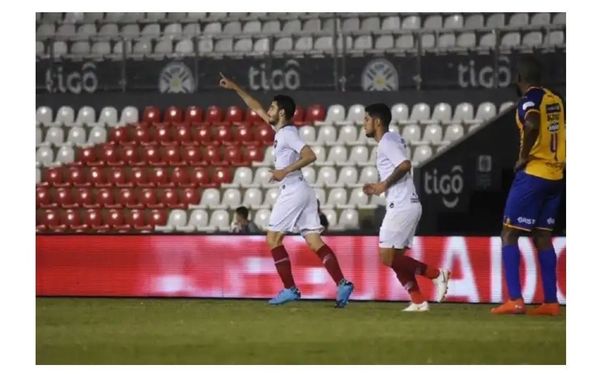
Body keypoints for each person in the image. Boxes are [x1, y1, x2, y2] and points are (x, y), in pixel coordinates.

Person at [219, 73, 354, 307]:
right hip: (303, 190)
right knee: (314, 241)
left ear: (282, 112)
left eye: (272, 107)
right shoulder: (280, 132)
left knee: (272, 239)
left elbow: (310, 155)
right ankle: (343, 283)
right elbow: (256, 107)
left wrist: (284, 171)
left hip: (293, 189)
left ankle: (290, 289)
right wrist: (235, 88)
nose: (268, 110)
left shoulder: (289, 133)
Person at [492, 56, 566, 316]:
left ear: (519, 78)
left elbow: (532, 122)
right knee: (542, 237)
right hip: (556, 176)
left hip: (534, 174)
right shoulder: (555, 99)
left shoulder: (529, 101)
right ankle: (551, 302)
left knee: (509, 233)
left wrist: (523, 155)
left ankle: (515, 299)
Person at [362, 103, 451, 312]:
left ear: (377, 121)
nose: (363, 124)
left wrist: (383, 185)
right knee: (396, 260)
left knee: (387, 257)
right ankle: (418, 301)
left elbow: (405, 165)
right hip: (406, 204)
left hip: (401, 206)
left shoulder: (386, 142)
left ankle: (437, 274)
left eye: (366, 119)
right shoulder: (392, 139)